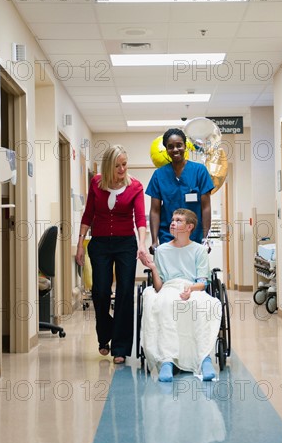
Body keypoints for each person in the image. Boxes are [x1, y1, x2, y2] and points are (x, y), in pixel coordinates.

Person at [76, 144, 149, 362]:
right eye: (117, 165)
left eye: (124, 164)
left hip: (126, 244)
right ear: (108, 166)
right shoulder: (96, 183)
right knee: (100, 292)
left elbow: (141, 218)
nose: (122, 169)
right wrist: (80, 243)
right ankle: (104, 335)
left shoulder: (135, 186)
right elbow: (88, 214)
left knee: (126, 292)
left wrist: (142, 243)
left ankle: (120, 347)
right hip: (99, 244)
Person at [140, 208, 221, 382]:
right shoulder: (161, 251)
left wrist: (190, 290)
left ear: (190, 226)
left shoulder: (199, 250)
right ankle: (167, 360)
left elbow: (202, 282)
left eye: (178, 220)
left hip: (193, 287)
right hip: (169, 288)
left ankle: (204, 358)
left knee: (204, 304)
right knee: (166, 303)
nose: (173, 223)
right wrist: (153, 267)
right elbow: (159, 286)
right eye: (172, 219)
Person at [146, 128, 214, 253]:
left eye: (179, 145)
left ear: (185, 146)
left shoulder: (200, 171)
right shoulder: (158, 175)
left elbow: (206, 207)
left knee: (194, 272)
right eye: (170, 146)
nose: (175, 149)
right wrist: (154, 240)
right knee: (169, 272)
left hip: (195, 236)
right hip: (168, 236)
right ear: (166, 149)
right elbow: (155, 210)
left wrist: (206, 238)